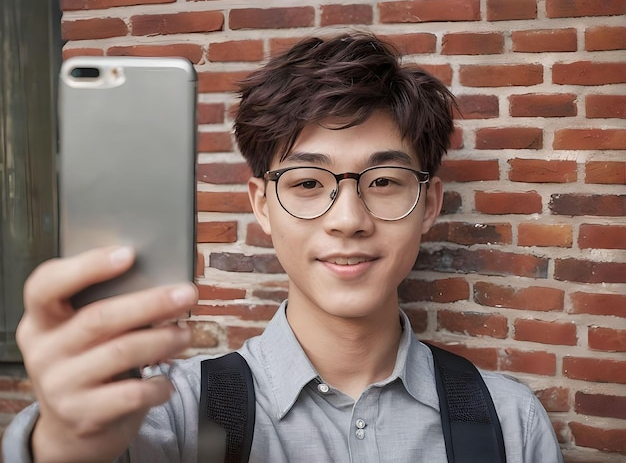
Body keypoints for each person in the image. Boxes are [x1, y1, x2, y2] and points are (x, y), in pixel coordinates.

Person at [3, 31, 563, 462]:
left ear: (431, 202)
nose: (348, 220)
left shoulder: (510, 424)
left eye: (385, 182)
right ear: (262, 204)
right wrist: (60, 441)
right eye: (306, 183)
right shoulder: (166, 414)